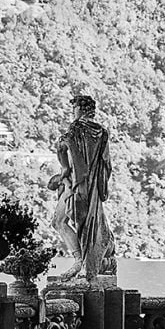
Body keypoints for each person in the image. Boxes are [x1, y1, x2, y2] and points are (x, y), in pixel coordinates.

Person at [49, 94, 115, 281]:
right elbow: (106, 164)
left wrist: (64, 169)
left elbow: (62, 149)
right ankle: (85, 259)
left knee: (60, 222)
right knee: (85, 225)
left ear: (81, 109)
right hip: (92, 186)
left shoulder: (76, 128)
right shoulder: (102, 132)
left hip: (75, 183)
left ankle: (80, 260)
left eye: (74, 109)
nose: (73, 113)